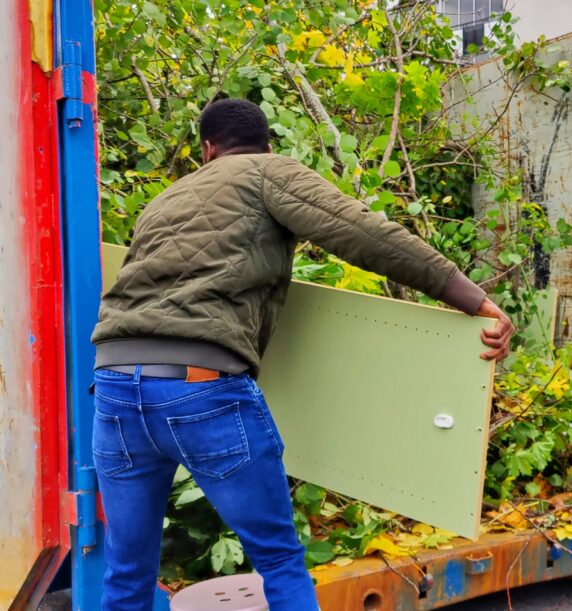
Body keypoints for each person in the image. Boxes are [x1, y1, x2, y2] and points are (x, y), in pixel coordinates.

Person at [90, 98, 514, 610]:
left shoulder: (164, 200)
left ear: (207, 149)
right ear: (267, 143)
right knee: (279, 561)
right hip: (198, 386)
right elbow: (365, 234)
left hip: (113, 388)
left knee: (128, 572)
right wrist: (475, 300)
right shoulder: (269, 172)